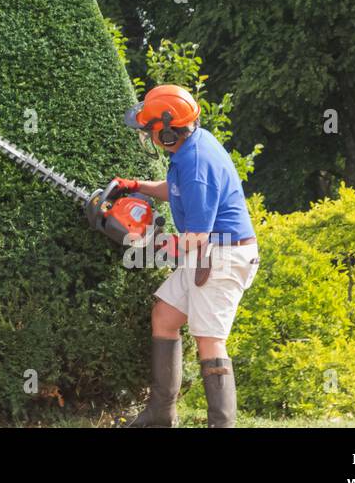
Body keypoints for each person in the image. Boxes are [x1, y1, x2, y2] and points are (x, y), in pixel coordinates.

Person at [103, 83, 259, 428]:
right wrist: (135, 185)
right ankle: (161, 414)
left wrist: (147, 242)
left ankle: (221, 425)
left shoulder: (197, 164)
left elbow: (195, 238)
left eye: (151, 131)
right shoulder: (190, 148)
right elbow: (174, 191)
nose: (148, 137)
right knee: (165, 315)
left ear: (170, 133)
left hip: (223, 255)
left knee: (210, 340)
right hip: (208, 251)